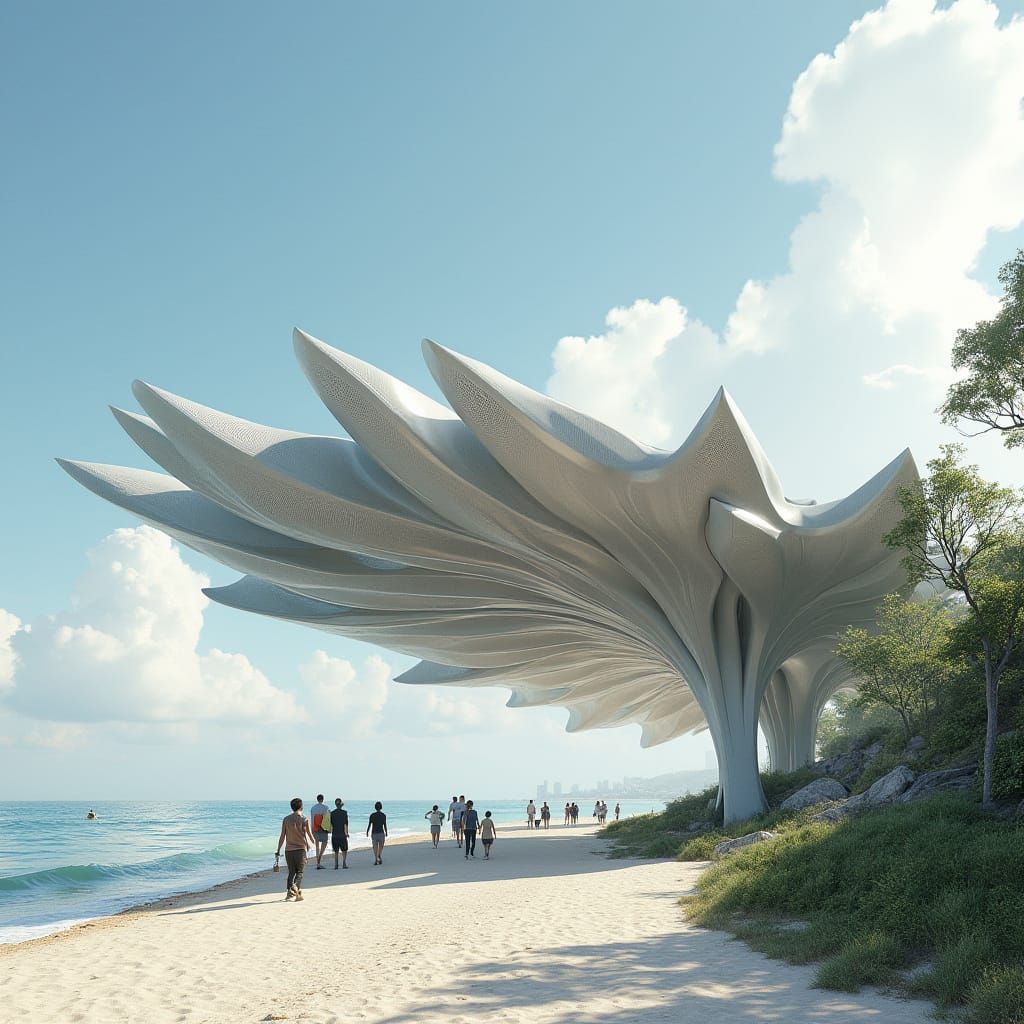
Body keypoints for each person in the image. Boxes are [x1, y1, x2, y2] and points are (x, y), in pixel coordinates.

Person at [275, 797, 314, 901]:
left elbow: (282, 836)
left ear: (291, 807)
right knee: (300, 872)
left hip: (288, 850)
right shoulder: (304, 819)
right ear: (301, 807)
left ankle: (289, 893)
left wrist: (278, 850)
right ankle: (295, 887)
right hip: (300, 849)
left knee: (291, 872)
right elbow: (308, 834)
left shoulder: (286, 819)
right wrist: (312, 842)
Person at [310, 794, 331, 869]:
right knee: (324, 843)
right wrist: (329, 829)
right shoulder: (326, 808)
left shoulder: (313, 808)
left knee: (317, 846)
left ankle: (318, 862)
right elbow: (328, 820)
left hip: (315, 828)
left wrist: (312, 829)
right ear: (323, 799)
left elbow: (312, 819)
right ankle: (320, 857)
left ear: (317, 799)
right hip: (323, 828)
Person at [330, 798, 349, 869]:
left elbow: (331, 824)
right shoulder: (344, 813)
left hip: (334, 834)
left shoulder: (332, 813)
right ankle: (344, 863)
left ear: (335, 804)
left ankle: (336, 864)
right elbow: (346, 824)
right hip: (342, 834)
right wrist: (346, 833)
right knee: (344, 850)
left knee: (336, 851)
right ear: (341, 804)